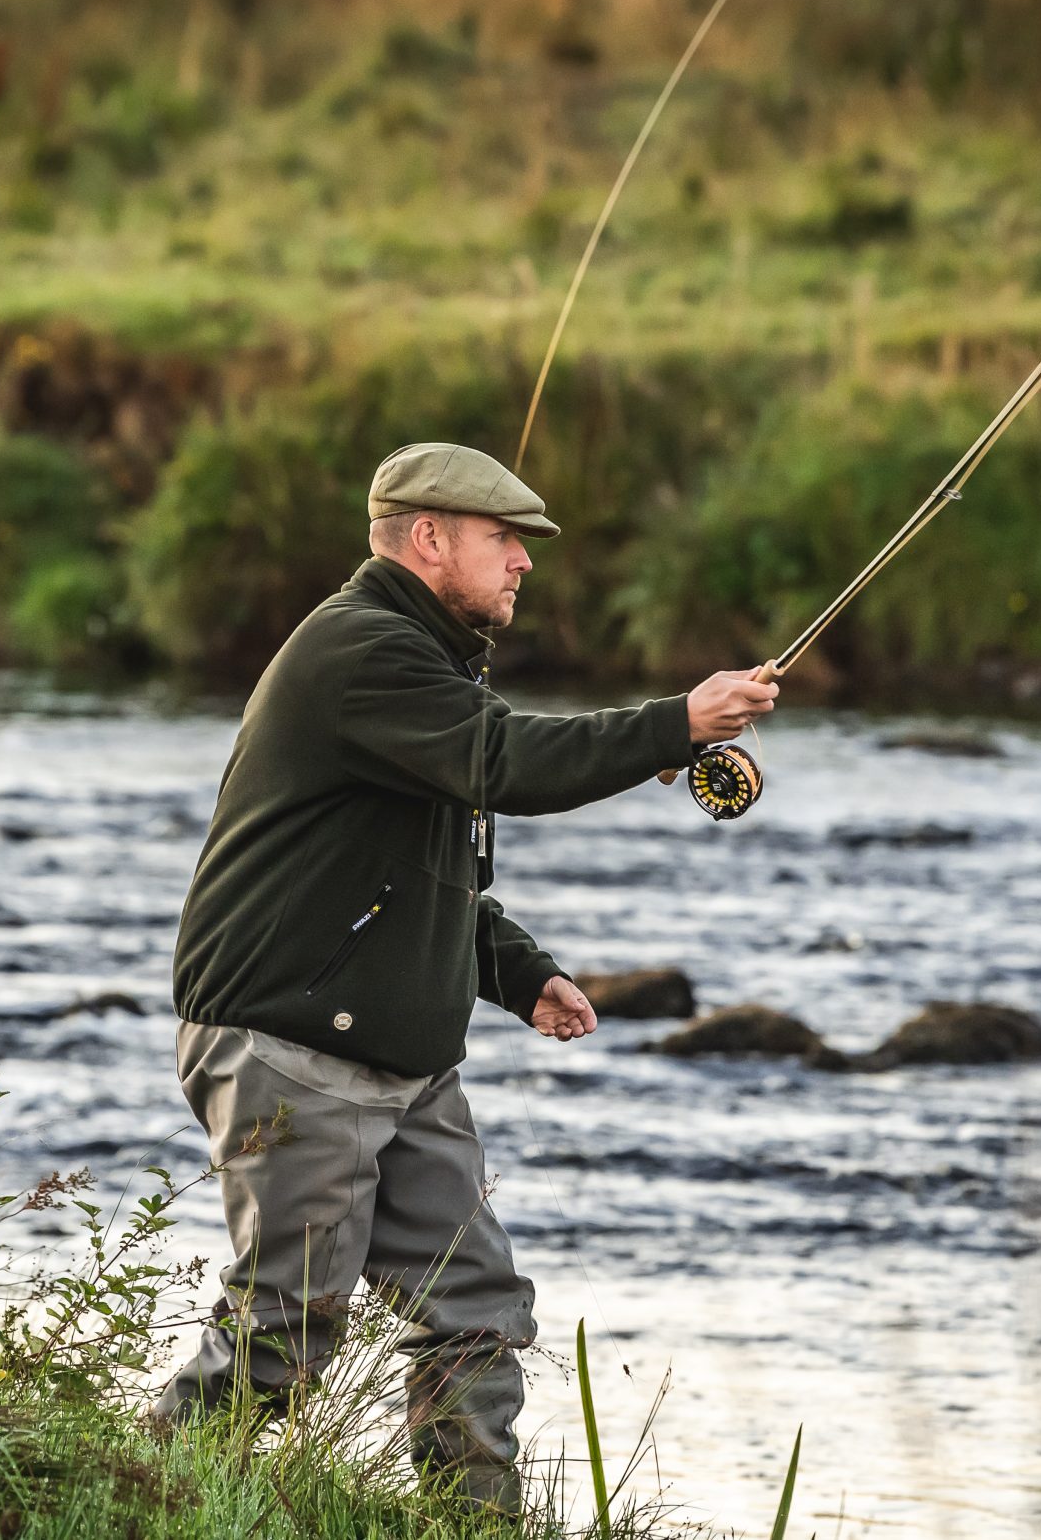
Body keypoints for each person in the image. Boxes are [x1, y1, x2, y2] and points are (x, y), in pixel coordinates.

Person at [150, 441, 780, 1510]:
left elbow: (414, 873)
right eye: (505, 541)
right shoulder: (360, 652)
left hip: (400, 1061)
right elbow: (508, 764)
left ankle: (468, 1525)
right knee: (285, 1330)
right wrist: (673, 724)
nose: (525, 564)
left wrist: (519, 973)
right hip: (295, 1052)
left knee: (477, 1310)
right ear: (428, 538)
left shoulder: (424, 664)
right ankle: (141, 1495)